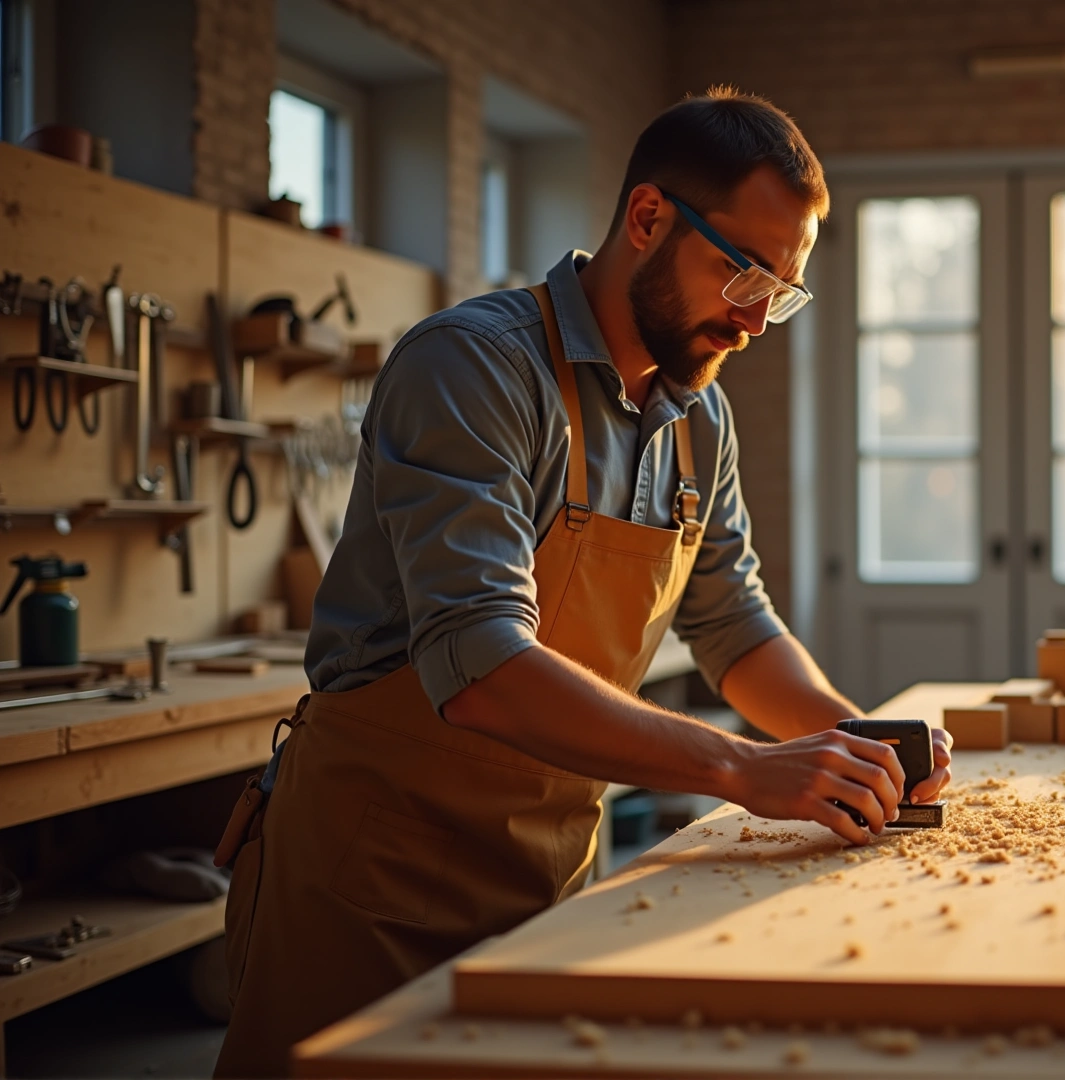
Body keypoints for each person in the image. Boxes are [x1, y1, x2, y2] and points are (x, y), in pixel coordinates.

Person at [212, 87, 951, 1078]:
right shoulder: (473, 368)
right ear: (647, 218)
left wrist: (850, 738)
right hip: (370, 877)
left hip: (547, 871)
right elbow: (481, 668)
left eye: (780, 291)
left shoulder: (698, 418)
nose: (756, 321)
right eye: (744, 274)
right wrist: (740, 770)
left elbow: (732, 623)